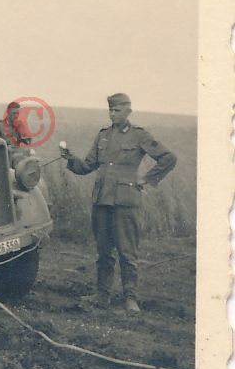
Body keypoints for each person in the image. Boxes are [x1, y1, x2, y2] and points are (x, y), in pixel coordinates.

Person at [59, 93, 177, 314]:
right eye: (111, 110)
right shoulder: (102, 136)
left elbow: (168, 158)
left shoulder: (139, 135)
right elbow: (87, 166)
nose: (113, 114)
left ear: (128, 111)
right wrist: (70, 158)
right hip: (102, 202)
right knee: (104, 252)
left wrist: (147, 179)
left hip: (125, 203)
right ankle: (102, 296)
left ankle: (130, 298)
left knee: (127, 252)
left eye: (118, 110)